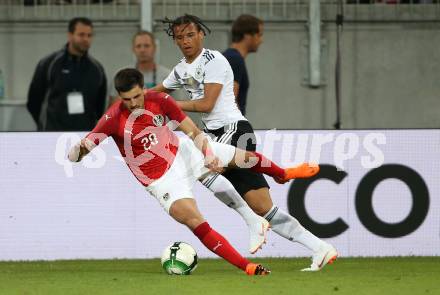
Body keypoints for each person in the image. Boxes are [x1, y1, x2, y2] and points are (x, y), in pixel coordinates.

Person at [67, 68, 314, 275]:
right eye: (126, 99)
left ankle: (283, 174)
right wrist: (77, 151)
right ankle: (247, 266)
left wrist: (208, 155)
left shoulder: (160, 100)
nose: (132, 104)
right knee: (195, 220)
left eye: (135, 97)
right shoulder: (112, 117)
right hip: (161, 181)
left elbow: (192, 131)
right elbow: (82, 151)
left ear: (143, 88)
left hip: (182, 151)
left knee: (242, 158)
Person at [152, 14, 338, 271]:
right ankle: (320, 248)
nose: (186, 41)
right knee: (264, 206)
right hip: (217, 134)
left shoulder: (214, 60)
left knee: (204, 166)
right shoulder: (181, 69)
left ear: (201, 35)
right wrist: (129, 104)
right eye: (180, 37)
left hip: (234, 131)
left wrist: (169, 106)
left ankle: (253, 220)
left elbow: (206, 104)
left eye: (190, 35)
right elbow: (154, 93)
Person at [27, 17, 107, 131]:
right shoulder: (49, 64)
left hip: (84, 136)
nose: (86, 39)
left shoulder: (97, 69)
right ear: (70, 35)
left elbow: (99, 107)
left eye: (89, 35)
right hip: (51, 134)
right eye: (81, 34)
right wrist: (45, 126)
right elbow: (33, 101)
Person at [107, 31, 171, 107]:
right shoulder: (122, 75)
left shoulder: (168, 76)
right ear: (133, 49)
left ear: (154, 48)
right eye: (138, 46)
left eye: (146, 46)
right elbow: (112, 108)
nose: (142, 50)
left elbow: (178, 110)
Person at [223, 14, 263, 116]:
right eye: (259, 35)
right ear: (247, 36)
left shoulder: (230, 57)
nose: (261, 40)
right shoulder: (234, 59)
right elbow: (229, 100)